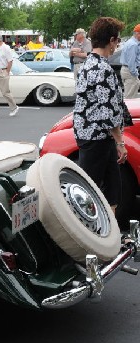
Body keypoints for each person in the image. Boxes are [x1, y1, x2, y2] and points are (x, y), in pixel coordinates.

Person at [73, 17, 127, 214]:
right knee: (92, 192)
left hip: (91, 134)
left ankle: (108, 232)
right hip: (97, 137)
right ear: (111, 40)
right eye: (118, 40)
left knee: (111, 187)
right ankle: (96, 236)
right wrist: (120, 142)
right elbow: (109, 111)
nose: (117, 45)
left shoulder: (89, 63)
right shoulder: (102, 68)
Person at [119, 24, 140, 99]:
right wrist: (135, 73)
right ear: (138, 34)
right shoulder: (133, 45)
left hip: (127, 70)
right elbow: (131, 62)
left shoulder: (130, 42)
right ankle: (127, 111)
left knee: (130, 95)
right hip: (130, 71)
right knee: (130, 98)